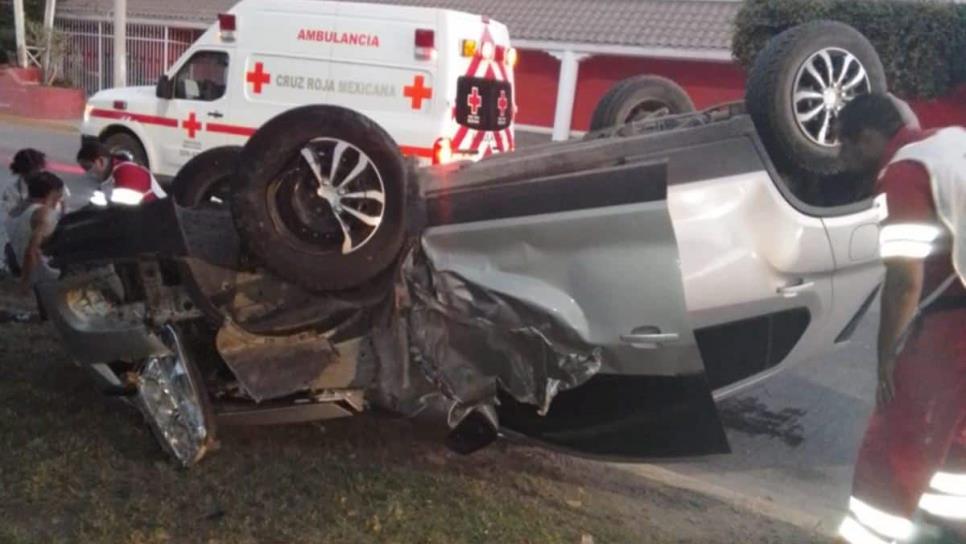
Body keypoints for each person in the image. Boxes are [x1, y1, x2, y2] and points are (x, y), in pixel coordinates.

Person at [836, 93, 966, 543]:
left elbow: (904, 281)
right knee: (958, 445)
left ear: (870, 137)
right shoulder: (949, 144)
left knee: (897, 444)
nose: (844, 159)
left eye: (846, 146)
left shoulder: (904, 172)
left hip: (954, 329)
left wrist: (887, 357)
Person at [5, 172, 65, 290]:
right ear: (51, 193)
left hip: (15, 266)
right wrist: (25, 284)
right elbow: (31, 251)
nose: (57, 201)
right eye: (57, 197)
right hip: (38, 273)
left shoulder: (15, 210)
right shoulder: (43, 213)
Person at [76, 140, 165, 206]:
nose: (87, 173)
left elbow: (122, 211)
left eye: (87, 167)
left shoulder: (127, 172)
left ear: (100, 161)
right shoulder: (107, 180)